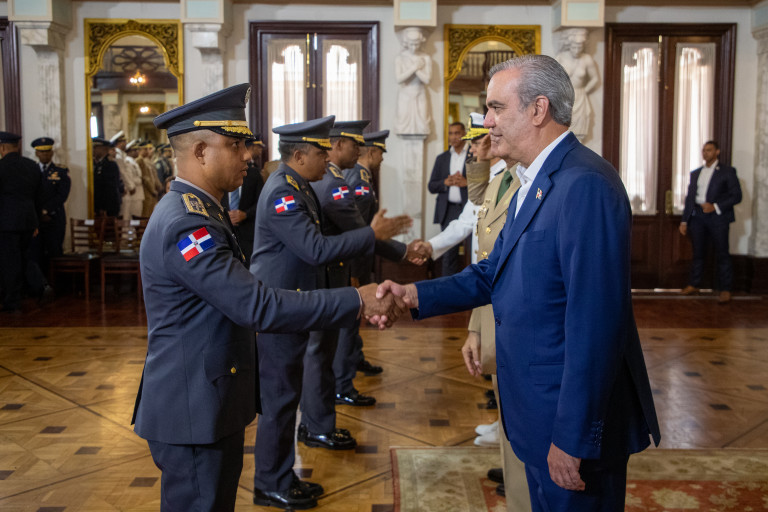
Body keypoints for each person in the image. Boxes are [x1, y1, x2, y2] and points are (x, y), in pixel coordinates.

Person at [378, 55, 661, 512]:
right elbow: (494, 272)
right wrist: (413, 294)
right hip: (534, 414)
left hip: (567, 425)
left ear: (538, 109)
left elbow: (595, 327)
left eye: (496, 108)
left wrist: (572, 438)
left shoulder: (585, 184)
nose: (486, 121)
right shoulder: (532, 179)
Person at [132, 84, 409, 512]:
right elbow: (257, 305)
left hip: (206, 398)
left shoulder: (202, 211)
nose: (249, 155)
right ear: (201, 151)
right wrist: (356, 300)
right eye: (236, 145)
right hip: (192, 406)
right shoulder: (187, 223)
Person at [250, 116, 409, 510]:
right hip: (280, 307)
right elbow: (314, 249)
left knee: (287, 394)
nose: (328, 158)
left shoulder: (297, 185)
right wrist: (371, 234)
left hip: (296, 302)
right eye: (321, 152)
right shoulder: (282, 192)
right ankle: (270, 483)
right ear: (299, 156)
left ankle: (279, 475)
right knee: (280, 399)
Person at [679, 140, 742, 303]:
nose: (705, 153)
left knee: (722, 252)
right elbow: (690, 198)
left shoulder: (727, 172)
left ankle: (725, 289)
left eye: (709, 150)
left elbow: (736, 196)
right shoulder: (696, 173)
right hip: (698, 217)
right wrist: (685, 221)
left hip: (718, 217)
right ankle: (694, 284)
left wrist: (715, 206)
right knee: (698, 252)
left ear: (717, 152)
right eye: (704, 150)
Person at [0, 132, 43, 313]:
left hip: (6, 222)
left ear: (2, 148)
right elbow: (39, 196)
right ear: (17, 147)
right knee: (24, 258)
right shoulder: (32, 166)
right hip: (28, 220)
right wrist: (36, 222)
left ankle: (12, 300)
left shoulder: (1, 167)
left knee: (9, 262)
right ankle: (37, 288)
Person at [427, 121, 468, 276]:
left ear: (464, 134)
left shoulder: (473, 155)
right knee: (448, 253)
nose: (454, 137)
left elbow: (484, 183)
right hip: (448, 209)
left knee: (472, 249)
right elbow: (431, 186)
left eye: (457, 133)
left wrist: (466, 183)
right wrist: (445, 182)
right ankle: (447, 287)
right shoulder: (442, 158)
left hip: (468, 208)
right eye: (451, 133)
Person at [223, 135, 264, 265]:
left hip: (249, 235)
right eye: (236, 147)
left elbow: (262, 203)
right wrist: (225, 216)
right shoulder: (219, 176)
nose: (246, 155)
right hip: (225, 233)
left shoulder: (253, 174)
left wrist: (245, 214)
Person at [30, 137, 70, 268]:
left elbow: (62, 195)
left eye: (47, 151)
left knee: (55, 252)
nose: (45, 155)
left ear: (52, 153)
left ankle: (56, 280)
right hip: (36, 219)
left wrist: (46, 210)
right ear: (37, 153)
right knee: (36, 254)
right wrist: (39, 212)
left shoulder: (60, 171)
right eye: (41, 152)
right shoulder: (31, 170)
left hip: (54, 218)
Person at [555, 28, 599, 141]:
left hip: (580, 96)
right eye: (574, 47)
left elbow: (595, 79)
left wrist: (584, 90)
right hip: (565, 97)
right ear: (569, 45)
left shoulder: (587, 59)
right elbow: (552, 78)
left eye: (580, 47)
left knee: (579, 131)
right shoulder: (561, 57)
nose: (577, 50)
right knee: (563, 129)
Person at [395, 27, 431, 135]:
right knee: (404, 127)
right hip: (405, 94)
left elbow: (427, 79)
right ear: (406, 43)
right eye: (411, 44)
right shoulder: (400, 58)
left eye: (417, 44)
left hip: (420, 93)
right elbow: (399, 79)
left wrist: (417, 70)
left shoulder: (426, 58)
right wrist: (414, 67)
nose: (414, 47)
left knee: (422, 126)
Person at [92, 137, 123, 217]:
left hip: (108, 207)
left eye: (95, 148)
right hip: (99, 206)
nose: (93, 150)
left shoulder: (110, 165)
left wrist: (104, 208)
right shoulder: (96, 164)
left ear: (103, 149)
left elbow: (110, 189)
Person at [137, 140, 162, 217]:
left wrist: (158, 187)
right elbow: (145, 178)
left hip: (152, 191)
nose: (148, 151)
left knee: (150, 215)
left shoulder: (148, 161)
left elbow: (153, 177)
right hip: (147, 191)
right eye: (145, 149)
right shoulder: (141, 160)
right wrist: (152, 190)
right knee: (145, 215)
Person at [123, 140, 145, 217]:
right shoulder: (128, 162)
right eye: (135, 150)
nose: (137, 152)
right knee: (133, 217)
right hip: (134, 194)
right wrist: (140, 180)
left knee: (137, 216)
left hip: (138, 194)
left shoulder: (133, 162)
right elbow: (130, 178)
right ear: (130, 152)